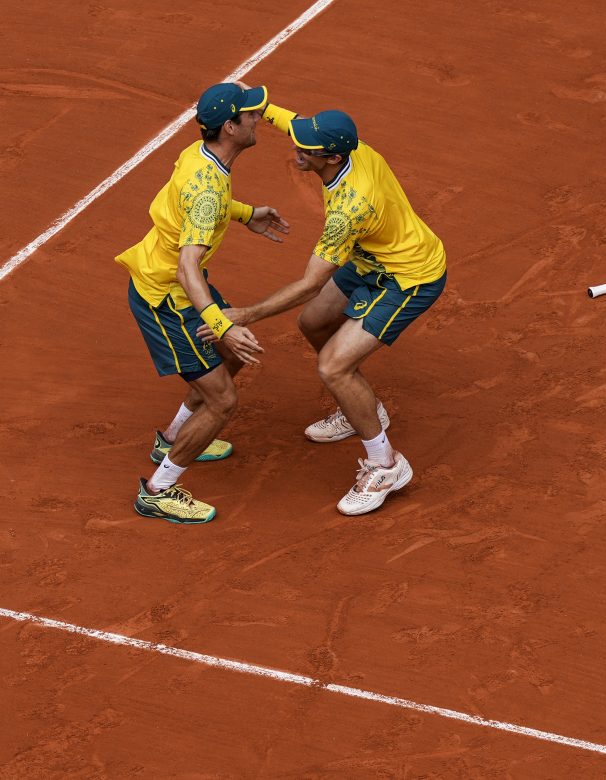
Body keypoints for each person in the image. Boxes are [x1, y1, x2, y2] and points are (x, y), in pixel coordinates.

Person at [200, 99, 447, 516]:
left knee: (333, 365)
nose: (297, 148)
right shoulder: (350, 148)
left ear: (332, 157)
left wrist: (243, 315)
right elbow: (290, 121)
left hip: (408, 277)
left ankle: (385, 466)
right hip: (372, 258)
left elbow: (310, 283)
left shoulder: (349, 210)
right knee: (313, 322)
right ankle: (363, 408)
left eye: (306, 149)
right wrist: (251, 100)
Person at [116, 82, 290, 524]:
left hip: (175, 286)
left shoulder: (200, 157)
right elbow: (187, 267)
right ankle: (158, 490)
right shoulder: (208, 189)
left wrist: (247, 214)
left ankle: (172, 436)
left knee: (229, 355)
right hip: (167, 299)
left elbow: (200, 203)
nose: (258, 121)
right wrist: (221, 321)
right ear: (229, 127)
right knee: (223, 401)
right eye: (251, 116)